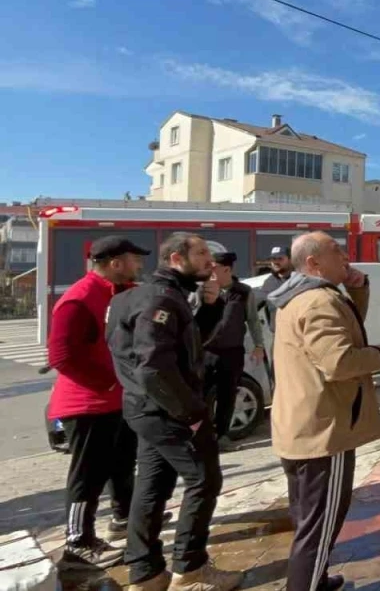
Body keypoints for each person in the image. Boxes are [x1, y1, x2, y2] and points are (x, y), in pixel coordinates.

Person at [107, 233, 243, 591]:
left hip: (147, 409)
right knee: (204, 479)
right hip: (166, 411)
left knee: (152, 486)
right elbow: (154, 368)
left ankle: (145, 573)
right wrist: (192, 414)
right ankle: (190, 569)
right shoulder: (161, 298)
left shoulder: (151, 296)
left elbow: (187, 345)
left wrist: (211, 306)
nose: (210, 261)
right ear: (176, 259)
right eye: (201, 253)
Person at [268, 232, 380, 591]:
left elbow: (346, 328)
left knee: (309, 521)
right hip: (323, 432)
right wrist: (379, 355)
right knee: (320, 526)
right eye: (336, 251)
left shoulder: (303, 296)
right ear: (313, 263)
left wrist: (359, 288)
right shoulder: (318, 301)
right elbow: (339, 362)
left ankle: (315, 581)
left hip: (302, 427)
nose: (345, 256)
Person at [47, 236, 148, 569]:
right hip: (87, 404)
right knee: (88, 475)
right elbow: (62, 357)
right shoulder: (79, 299)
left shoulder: (122, 292)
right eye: (134, 259)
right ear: (115, 263)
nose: (140, 265)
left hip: (117, 400)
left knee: (121, 464)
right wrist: (109, 381)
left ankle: (123, 517)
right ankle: (78, 542)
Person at [195, 250, 266, 450]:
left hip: (232, 352)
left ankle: (223, 435)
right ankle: (201, 435)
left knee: (227, 394)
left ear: (226, 269)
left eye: (214, 267)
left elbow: (253, 320)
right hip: (206, 351)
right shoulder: (203, 290)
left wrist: (259, 345)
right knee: (200, 393)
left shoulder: (243, 292)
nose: (210, 270)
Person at [259, 246, 292, 332]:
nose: (276, 262)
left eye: (280, 259)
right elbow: (254, 306)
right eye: (273, 259)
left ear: (290, 260)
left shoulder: (300, 279)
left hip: (297, 335)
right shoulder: (269, 283)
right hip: (277, 335)